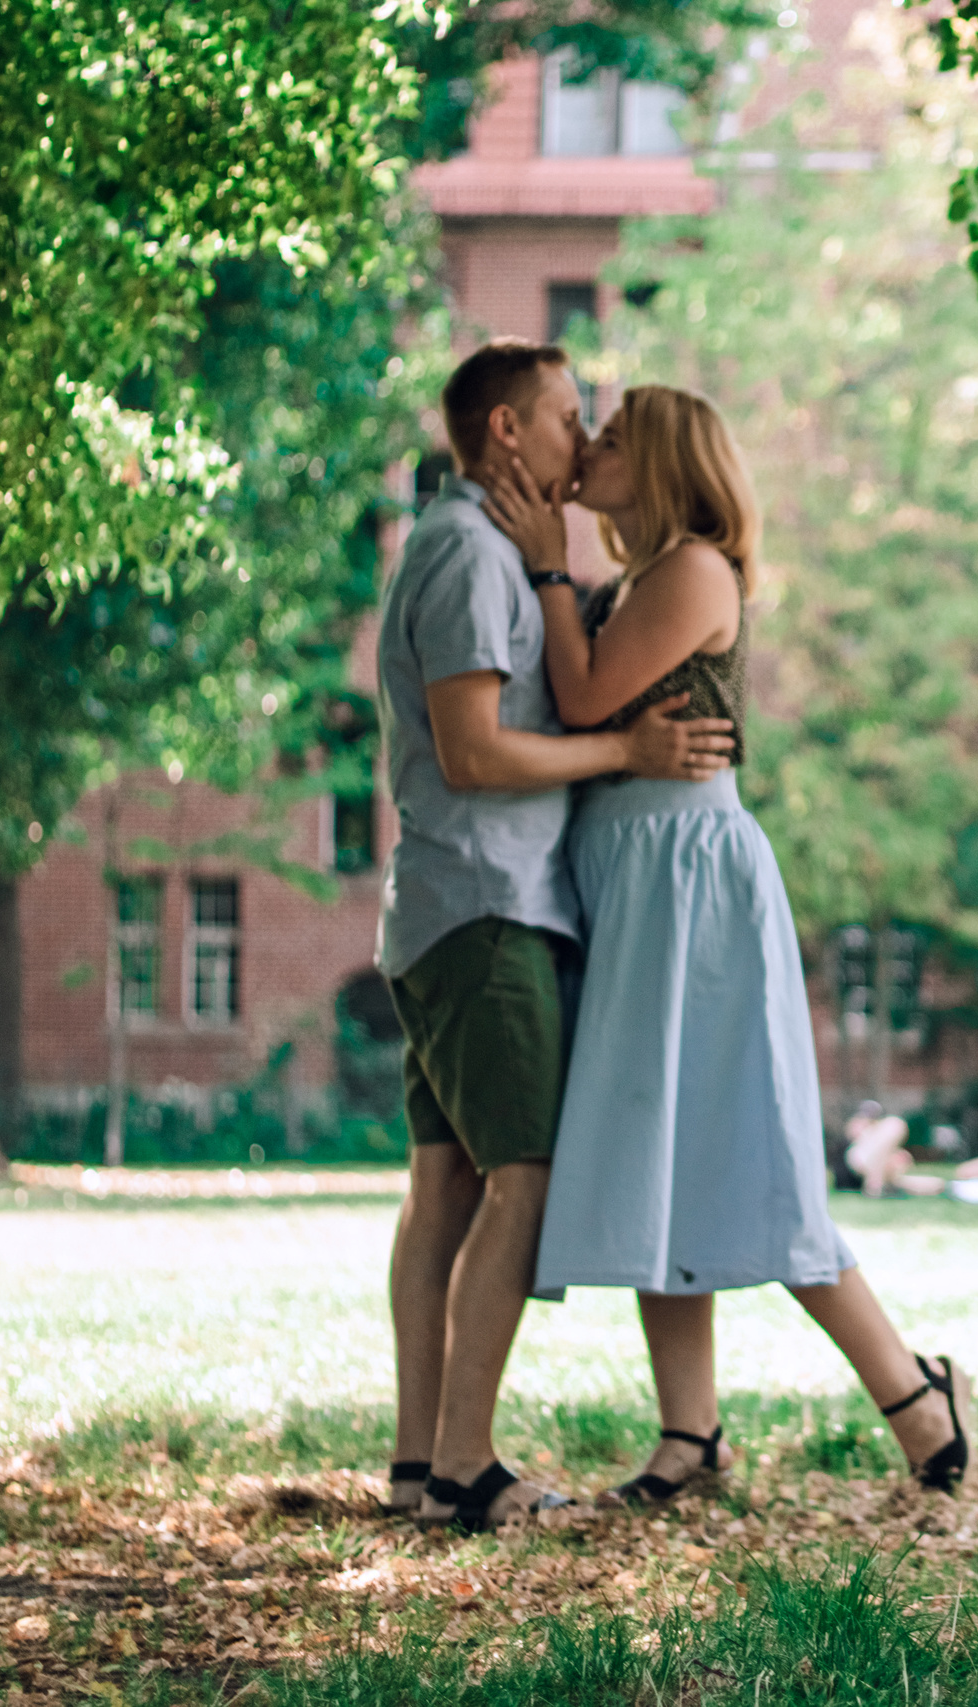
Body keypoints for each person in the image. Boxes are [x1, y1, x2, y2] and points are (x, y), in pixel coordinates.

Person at [479, 385, 976, 1507]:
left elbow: (585, 692)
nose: (587, 453)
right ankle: (688, 1438)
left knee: (750, 1153)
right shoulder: (642, 580)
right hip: (636, 870)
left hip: (687, 881)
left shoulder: (694, 568)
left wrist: (549, 566)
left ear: (657, 465)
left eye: (607, 442)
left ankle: (912, 1395)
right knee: (667, 1151)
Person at [376, 341, 738, 1533]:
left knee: (447, 1189)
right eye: (567, 417)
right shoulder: (474, 556)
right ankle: (470, 1465)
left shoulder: (491, 555)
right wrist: (625, 754)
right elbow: (476, 753)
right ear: (503, 436)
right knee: (519, 1182)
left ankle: (423, 1465)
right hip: (487, 907)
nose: (583, 441)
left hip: (462, 903)